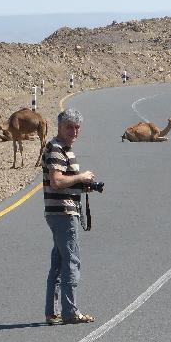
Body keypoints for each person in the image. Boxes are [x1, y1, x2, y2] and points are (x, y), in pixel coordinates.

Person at [42, 108, 96, 325]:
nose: (74, 131)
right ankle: (70, 312)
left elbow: (65, 182)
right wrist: (81, 177)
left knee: (59, 262)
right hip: (63, 213)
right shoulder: (56, 149)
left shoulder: (65, 148)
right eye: (69, 127)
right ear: (59, 127)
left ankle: (52, 311)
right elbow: (57, 181)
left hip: (61, 211)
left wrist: (83, 186)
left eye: (77, 127)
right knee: (71, 261)